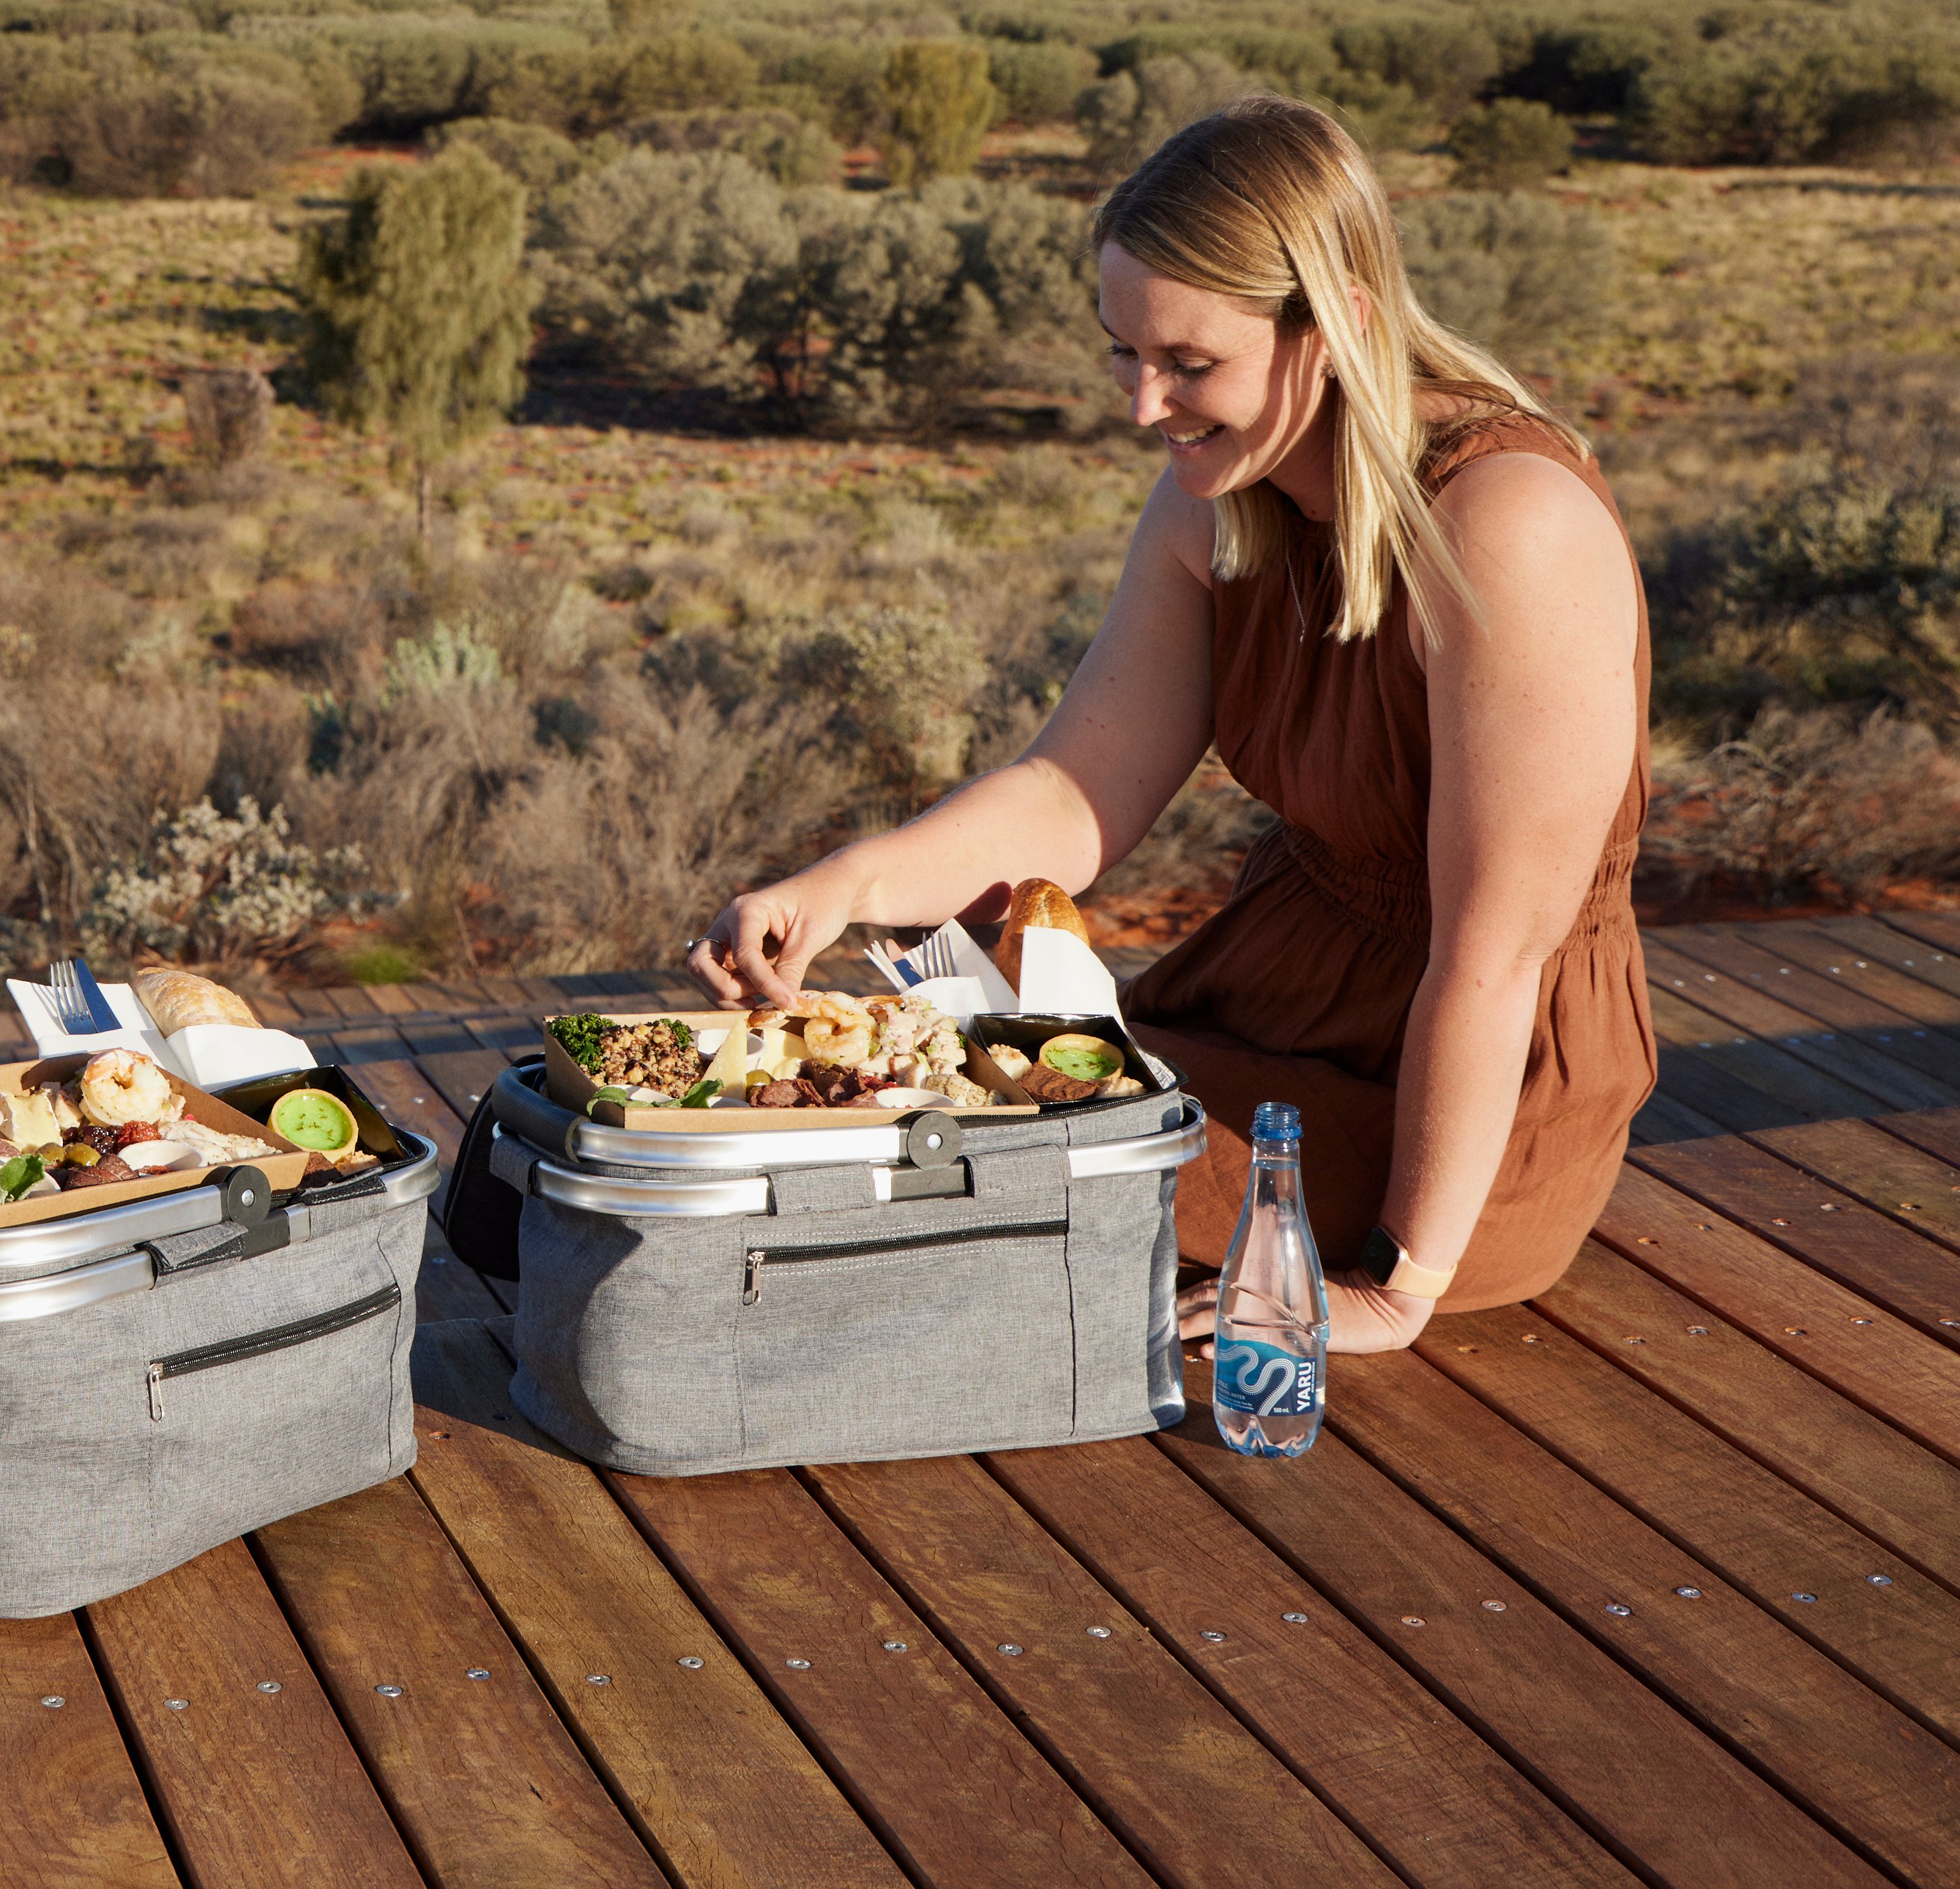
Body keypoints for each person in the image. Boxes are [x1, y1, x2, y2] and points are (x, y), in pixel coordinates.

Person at [690, 94, 1652, 1352]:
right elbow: (1072, 792)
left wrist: (1388, 1289)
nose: (1143, 406)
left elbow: (1491, 958)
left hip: (1471, 1105)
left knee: (983, 1166)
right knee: (917, 1101)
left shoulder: (1505, 526)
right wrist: (841, 886)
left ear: (1337, 326)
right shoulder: (1217, 501)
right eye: (1121, 352)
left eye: (1190, 365)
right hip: (1271, 1004)